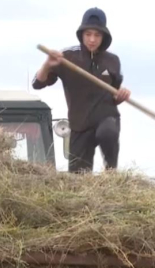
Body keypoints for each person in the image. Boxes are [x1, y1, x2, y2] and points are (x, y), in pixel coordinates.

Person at [32, 7, 131, 173]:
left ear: (104, 36)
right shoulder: (66, 57)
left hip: (106, 117)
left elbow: (114, 94)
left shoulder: (113, 61)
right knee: (77, 177)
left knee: (108, 131)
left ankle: (111, 173)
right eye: (88, 34)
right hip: (79, 124)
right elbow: (37, 83)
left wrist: (120, 96)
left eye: (97, 35)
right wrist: (47, 64)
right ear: (81, 34)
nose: (92, 39)